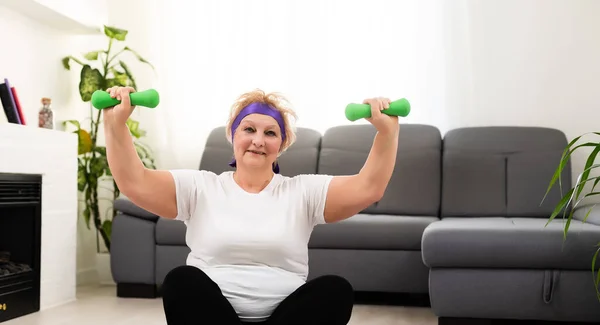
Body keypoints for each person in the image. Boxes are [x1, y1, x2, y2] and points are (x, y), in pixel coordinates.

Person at [103, 87, 400, 325]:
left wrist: (387, 133)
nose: (258, 140)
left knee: (336, 290)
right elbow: (135, 182)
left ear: (281, 144)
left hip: (284, 319)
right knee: (181, 281)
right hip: (214, 319)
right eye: (249, 129)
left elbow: (369, 187)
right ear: (233, 135)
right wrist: (114, 124)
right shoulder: (201, 187)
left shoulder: (302, 192)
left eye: (270, 133)